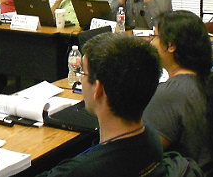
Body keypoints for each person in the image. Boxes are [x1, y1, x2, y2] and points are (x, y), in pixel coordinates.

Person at [37, 33, 164, 177]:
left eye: (83, 73)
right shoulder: (152, 139)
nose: (80, 80)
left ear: (98, 89)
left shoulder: (81, 171)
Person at [143, 11, 213, 177]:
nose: (151, 42)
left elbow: (143, 155)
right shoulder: (210, 80)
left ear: (171, 45)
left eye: (155, 36)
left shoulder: (171, 93)